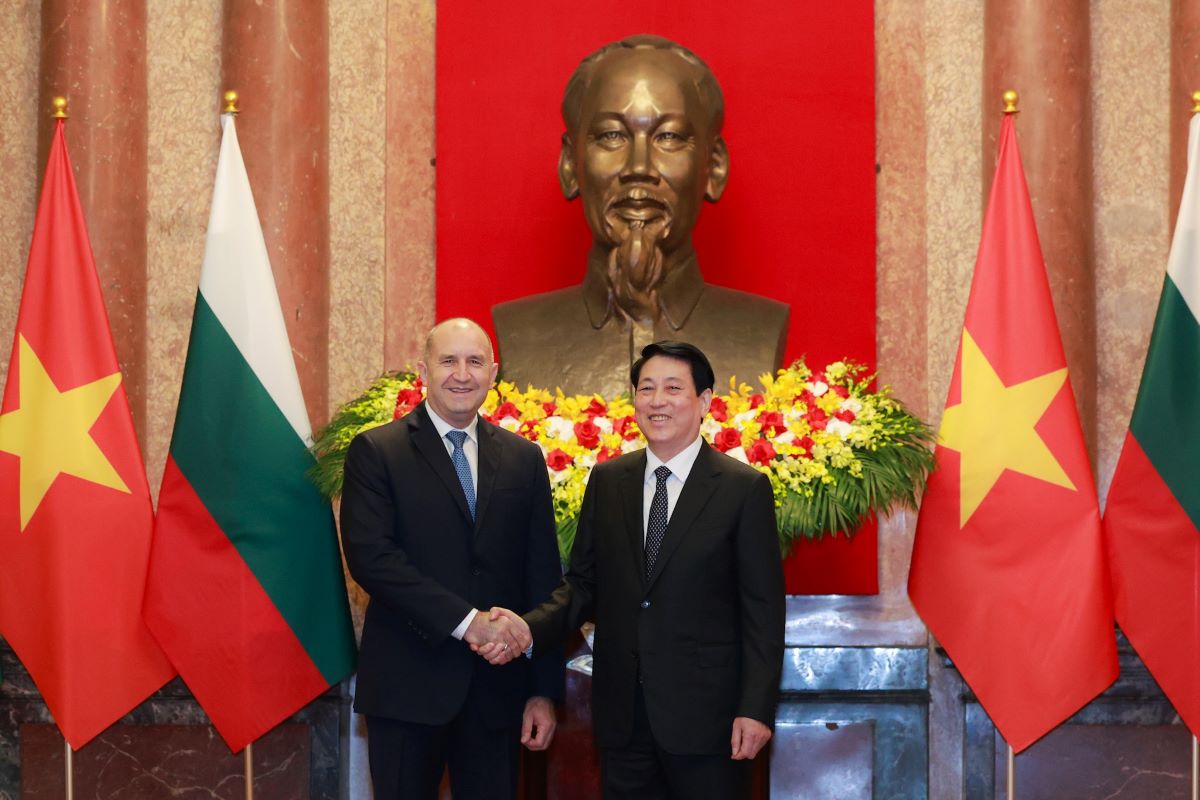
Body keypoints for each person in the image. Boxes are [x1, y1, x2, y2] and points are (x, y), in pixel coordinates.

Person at [479, 341, 785, 800]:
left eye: (673, 388)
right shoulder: (609, 480)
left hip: (710, 720)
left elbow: (762, 611)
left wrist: (755, 709)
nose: (657, 400)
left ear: (704, 402)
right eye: (647, 389)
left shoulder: (743, 489)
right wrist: (526, 628)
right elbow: (582, 584)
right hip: (623, 717)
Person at [339, 318, 563, 800]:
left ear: (493, 372)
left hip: (499, 694)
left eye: (475, 361)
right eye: (448, 361)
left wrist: (542, 691)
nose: (462, 374)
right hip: (407, 688)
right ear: (423, 370)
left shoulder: (524, 458)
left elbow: (542, 575)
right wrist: (468, 622)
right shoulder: (378, 451)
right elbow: (373, 559)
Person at [492, 35, 789, 398]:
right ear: (570, 165)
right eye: (611, 135)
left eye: (669, 137)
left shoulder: (760, 330)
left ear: (713, 167)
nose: (638, 167)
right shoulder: (517, 333)